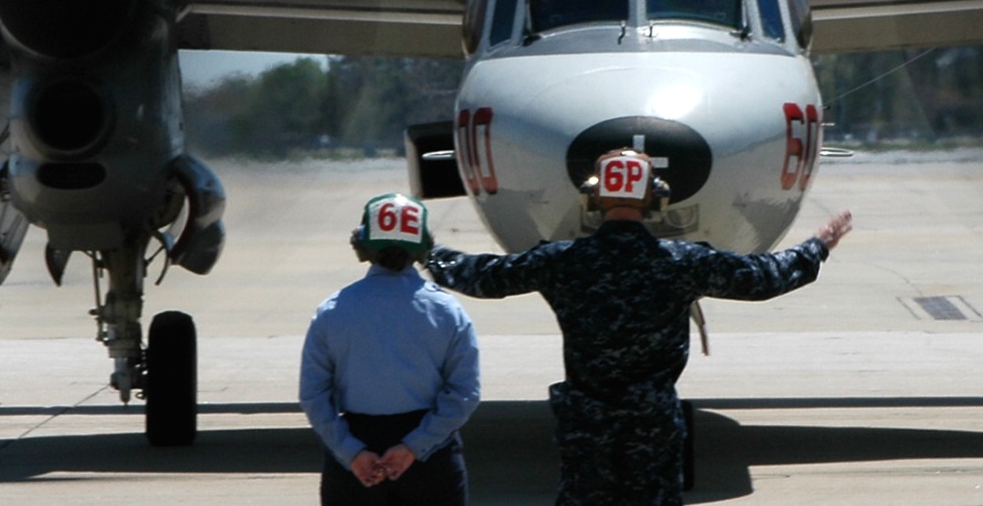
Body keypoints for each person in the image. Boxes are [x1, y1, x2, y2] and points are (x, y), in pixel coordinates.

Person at [425, 147, 853, 506]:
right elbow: (763, 278)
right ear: (654, 199)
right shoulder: (681, 262)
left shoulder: (563, 261)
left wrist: (427, 252)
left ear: (595, 198)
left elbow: (484, 276)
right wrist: (817, 247)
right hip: (653, 422)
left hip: (585, 425)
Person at [300, 193, 481, 505]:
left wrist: (351, 452)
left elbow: (314, 395)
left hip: (355, 449)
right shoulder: (448, 311)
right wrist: (413, 447)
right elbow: (465, 393)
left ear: (362, 245)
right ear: (423, 244)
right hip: (431, 456)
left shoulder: (332, 311)